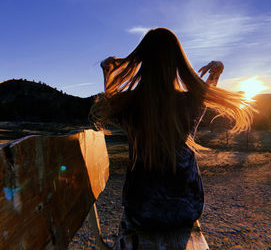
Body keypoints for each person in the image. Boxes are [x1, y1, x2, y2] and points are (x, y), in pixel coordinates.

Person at [90, 28, 254, 249]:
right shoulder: (192, 102)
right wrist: (216, 72)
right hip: (187, 209)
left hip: (141, 212)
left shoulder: (127, 104)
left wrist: (108, 72)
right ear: (178, 62)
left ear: (142, 60)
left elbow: (109, 101)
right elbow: (207, 92)